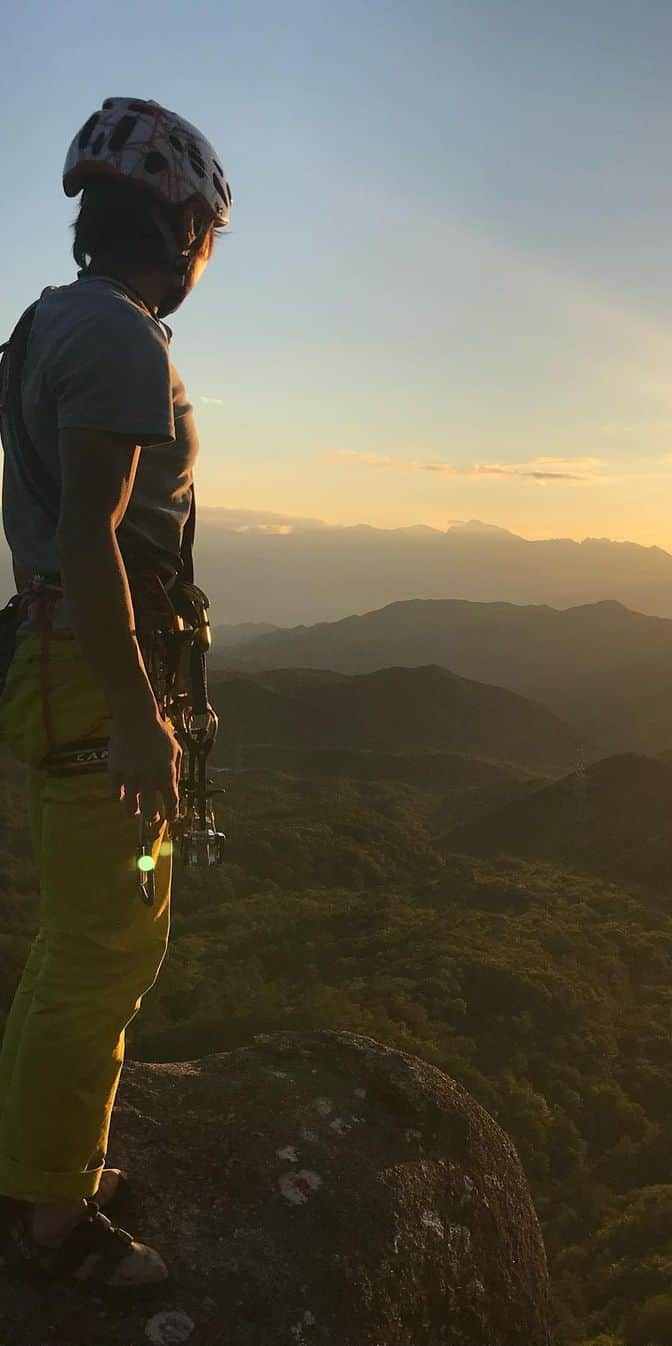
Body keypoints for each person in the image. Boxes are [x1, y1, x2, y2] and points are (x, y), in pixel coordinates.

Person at [0, 97, 231, 1288]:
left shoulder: (52, 320)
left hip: (59, 659)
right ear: (181, 223)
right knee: (106, 944)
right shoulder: (120, 338)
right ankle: (50, 1215)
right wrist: (139, 714)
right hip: (93, 667)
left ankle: (43, 1159)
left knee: (80, 937)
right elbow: (91, 541)